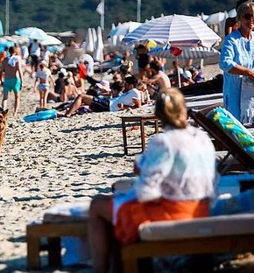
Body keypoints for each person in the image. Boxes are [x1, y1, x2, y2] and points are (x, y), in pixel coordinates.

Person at [88, 88, 216, 273]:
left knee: (98, 205)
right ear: (184, 110)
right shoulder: (203, 138)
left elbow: (147, 192)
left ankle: (102, 270)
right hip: (203, 209)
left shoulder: (164, 142)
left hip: (176, 213)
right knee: (115, 207)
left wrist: (140, 173)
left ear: (159, 115)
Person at [220, 0, 254, 122]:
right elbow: (225, 63)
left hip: (251, 94)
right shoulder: (231, 40)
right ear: (239, 18)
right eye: (247, 16)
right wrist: (249, 72)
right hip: (235, 93)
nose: (251, 20)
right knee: (238, 130)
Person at [0, 46, 24, 115]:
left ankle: (4, 110)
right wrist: (22, 81)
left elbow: (1, 71)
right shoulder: (16, 60)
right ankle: (15, 112)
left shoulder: (5, 60)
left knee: (5, 98)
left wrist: (1, 80)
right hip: (15, 80)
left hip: (7, 80)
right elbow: (19, 71)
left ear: (9, 51)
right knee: (17, 97)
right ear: (15, 51)